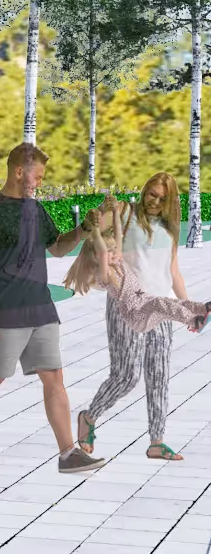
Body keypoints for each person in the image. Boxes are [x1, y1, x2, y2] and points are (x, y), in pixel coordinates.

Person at [0, 142, 109, 474]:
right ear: (20, 171)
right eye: (37, 176)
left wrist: (83, 230)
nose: (39, 182)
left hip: (40, 307)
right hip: (4, 311)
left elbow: (58, 248)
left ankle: (68, 453)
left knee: (54, 378)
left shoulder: (37, 210)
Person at [77, 173, 195, 461]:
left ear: (169, 202)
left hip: (161, 306)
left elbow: (173, 272)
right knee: (127, 375)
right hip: (127, 305)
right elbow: (91, 233)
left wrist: (188, 307)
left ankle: (157, 441)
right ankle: (89, 417)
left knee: (159, 376)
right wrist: (99, 219)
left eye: (161, 198)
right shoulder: (127, 213)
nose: (154, 201)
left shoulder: (169, 229)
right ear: (144, 190)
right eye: (151, 193)